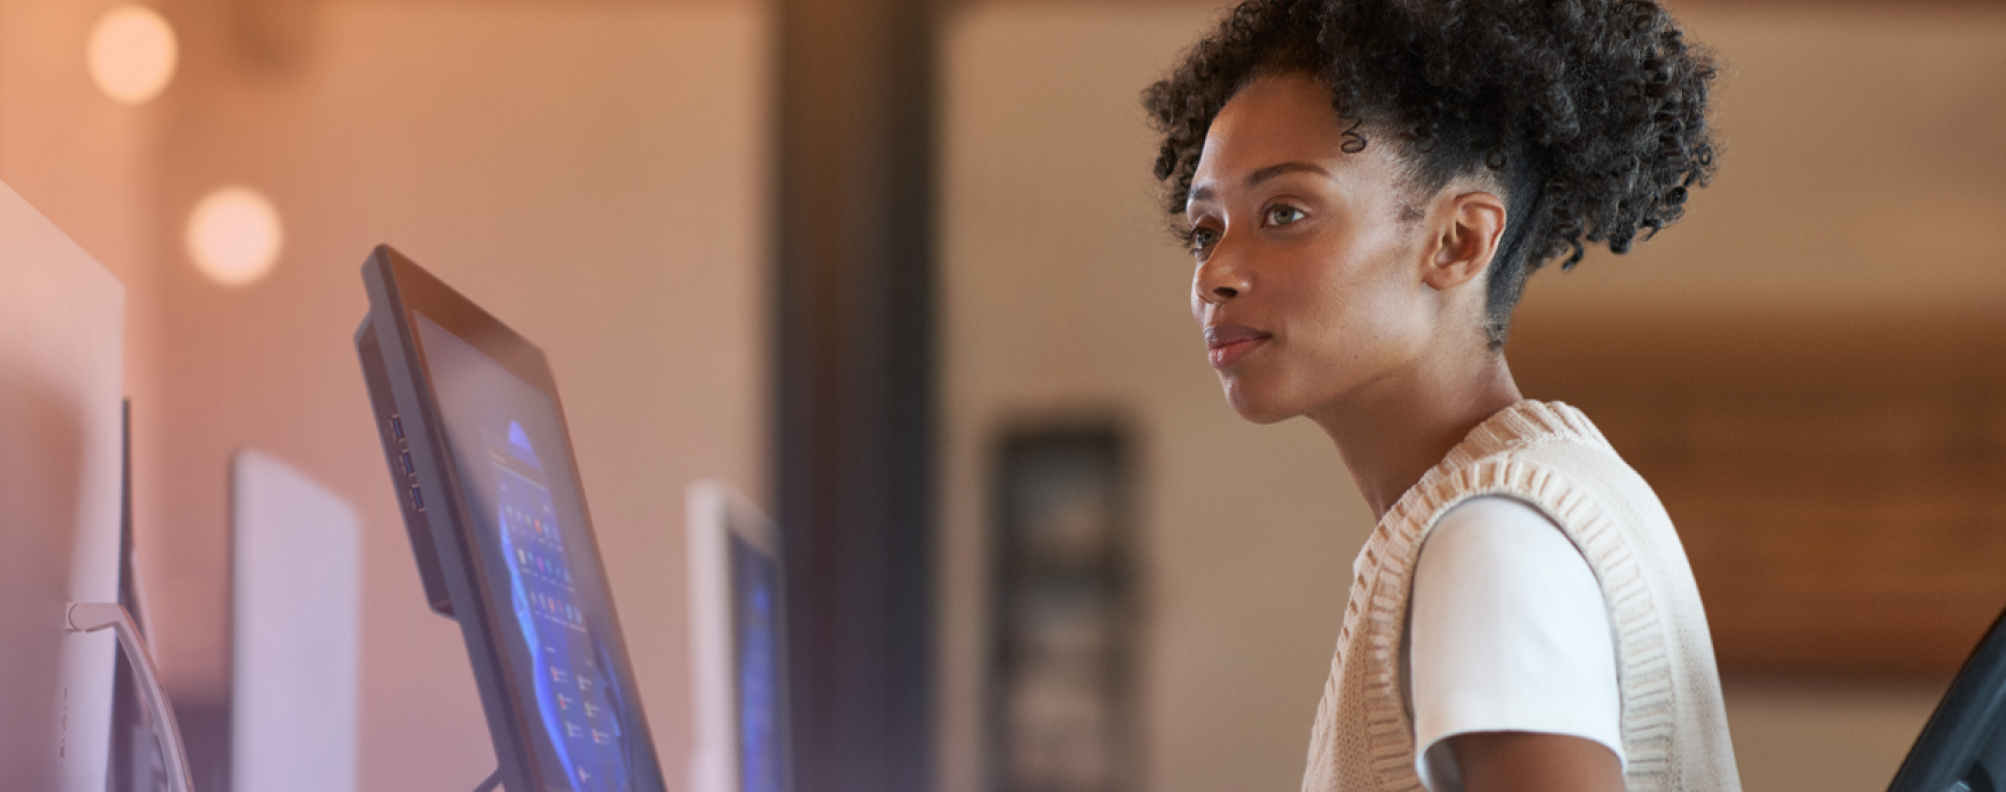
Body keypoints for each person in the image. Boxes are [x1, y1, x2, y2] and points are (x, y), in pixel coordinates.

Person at [1141, 1, 1738, 791]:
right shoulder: (1545, 496)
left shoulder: (1492, 541)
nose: (1216, 271)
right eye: (1205, 229)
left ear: (1458, 241)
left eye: (1284, 213)